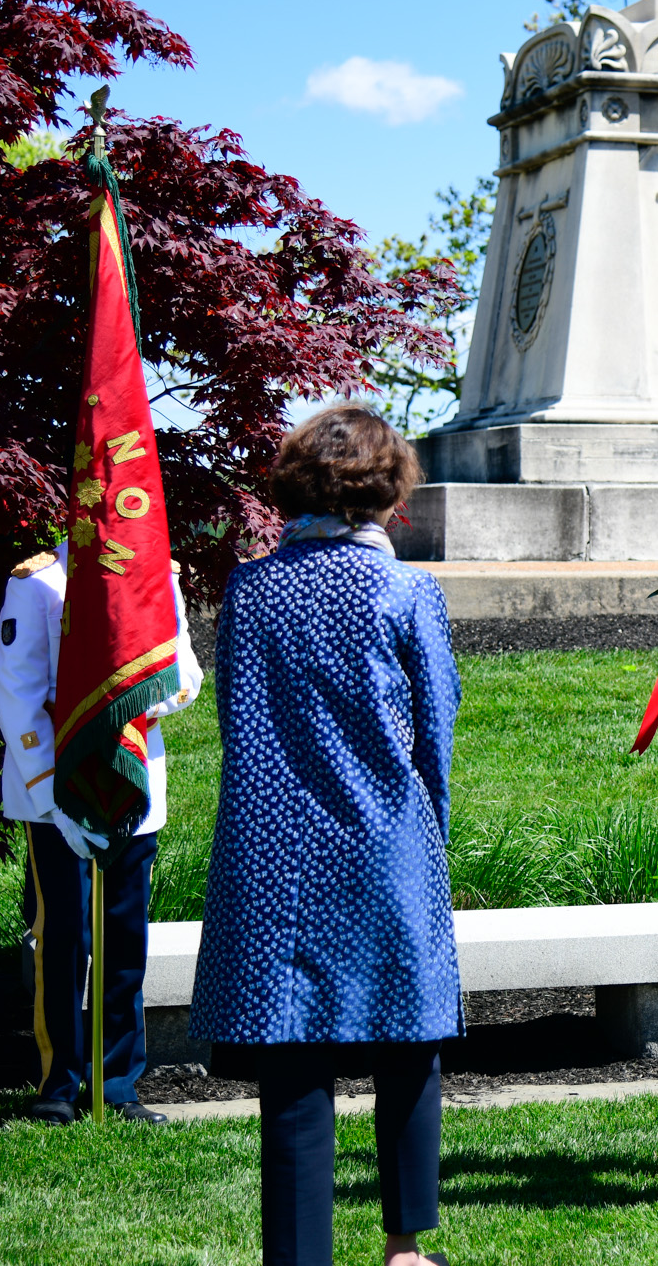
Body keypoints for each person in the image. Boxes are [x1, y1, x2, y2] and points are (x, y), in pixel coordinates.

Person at [190, 405, 461, 1266]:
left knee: (293, 1059)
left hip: (276, 853)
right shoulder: (409, 590)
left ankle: (298, 1256)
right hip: (386, 839)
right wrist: (432, 834)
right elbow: (435, 732)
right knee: (407, 1038)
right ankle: (405, 1247)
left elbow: (239, 720)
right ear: (389, 492)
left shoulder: (251, 589)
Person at [0, 539, 201, 1125]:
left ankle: (117, 1083)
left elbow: (185, 672)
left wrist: (136, 698)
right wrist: (51, 799)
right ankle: (59, 1082)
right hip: (55, 788)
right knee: (65, 938)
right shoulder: (39, 583)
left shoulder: (156, 576)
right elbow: (18, 697)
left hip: (132, 784)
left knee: (125, 938)